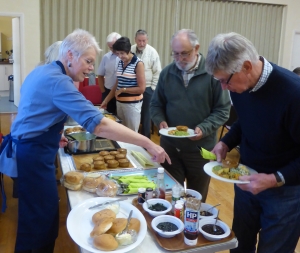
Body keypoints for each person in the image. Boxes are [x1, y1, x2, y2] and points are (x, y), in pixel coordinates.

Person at [0, 29, 170, 253]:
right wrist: (148, 143)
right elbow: (99, 125)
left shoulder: (42, 71)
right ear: (70, 55)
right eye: (88, 61)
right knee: (41, 223)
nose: (91, 67)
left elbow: (32, 111)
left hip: (31, 149)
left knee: (34, 217)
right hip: (34, 156)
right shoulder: (59, 82)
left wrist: (52, 133)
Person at [205, 32, 300, 253]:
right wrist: (226, 143)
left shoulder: (294, 94)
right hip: (246, 178)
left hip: (285, 192)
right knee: (239, 245)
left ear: (246, 66)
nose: (223, 88)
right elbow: (245, 122)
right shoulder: (240, 86)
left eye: (223, 80)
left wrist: (275, 178)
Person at [150, 29, 230, 202]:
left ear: (196, 48)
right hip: (170, 149)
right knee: (171, 197)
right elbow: (156, 104)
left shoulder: (213, 75)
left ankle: (192, 229)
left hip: (200, 151)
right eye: (175, 54)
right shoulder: (167, 73)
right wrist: (160, 120)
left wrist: (204, 128)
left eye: (184, 54)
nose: (180, 59)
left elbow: (223, 110)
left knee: (196, 200)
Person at [101, 37, 146, 132]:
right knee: (122, 133)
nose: (120, 56)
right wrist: (106, 100)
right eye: (118, 54)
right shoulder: (121, 62)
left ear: (128, 50)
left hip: (132, 105)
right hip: (120, 103)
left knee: (132, 133)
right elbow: (117, 83)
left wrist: (123, 89)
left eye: (122, 53)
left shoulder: (138, 64)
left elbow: (141, 89)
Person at [131, 29, 162, 138]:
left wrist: (153, 88)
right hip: (133, 87)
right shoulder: (131, 50)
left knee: (146, 116)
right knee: (134, 114)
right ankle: (133, 138)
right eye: (139, 41)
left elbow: (157, 71)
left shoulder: (152, 52)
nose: (142, 43)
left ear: (147, 40)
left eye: (144, 41)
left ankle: (146, 140)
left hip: (148, 88)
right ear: (135, 40)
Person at [97, 32, 121, 113]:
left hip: (122, 92)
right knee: (108, 117)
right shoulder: (106, 57)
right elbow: (100, 75)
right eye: (110, 47)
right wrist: (103, 91)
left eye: (113, 47)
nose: (112, 49)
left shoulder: (125, 57)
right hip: (107, 91)